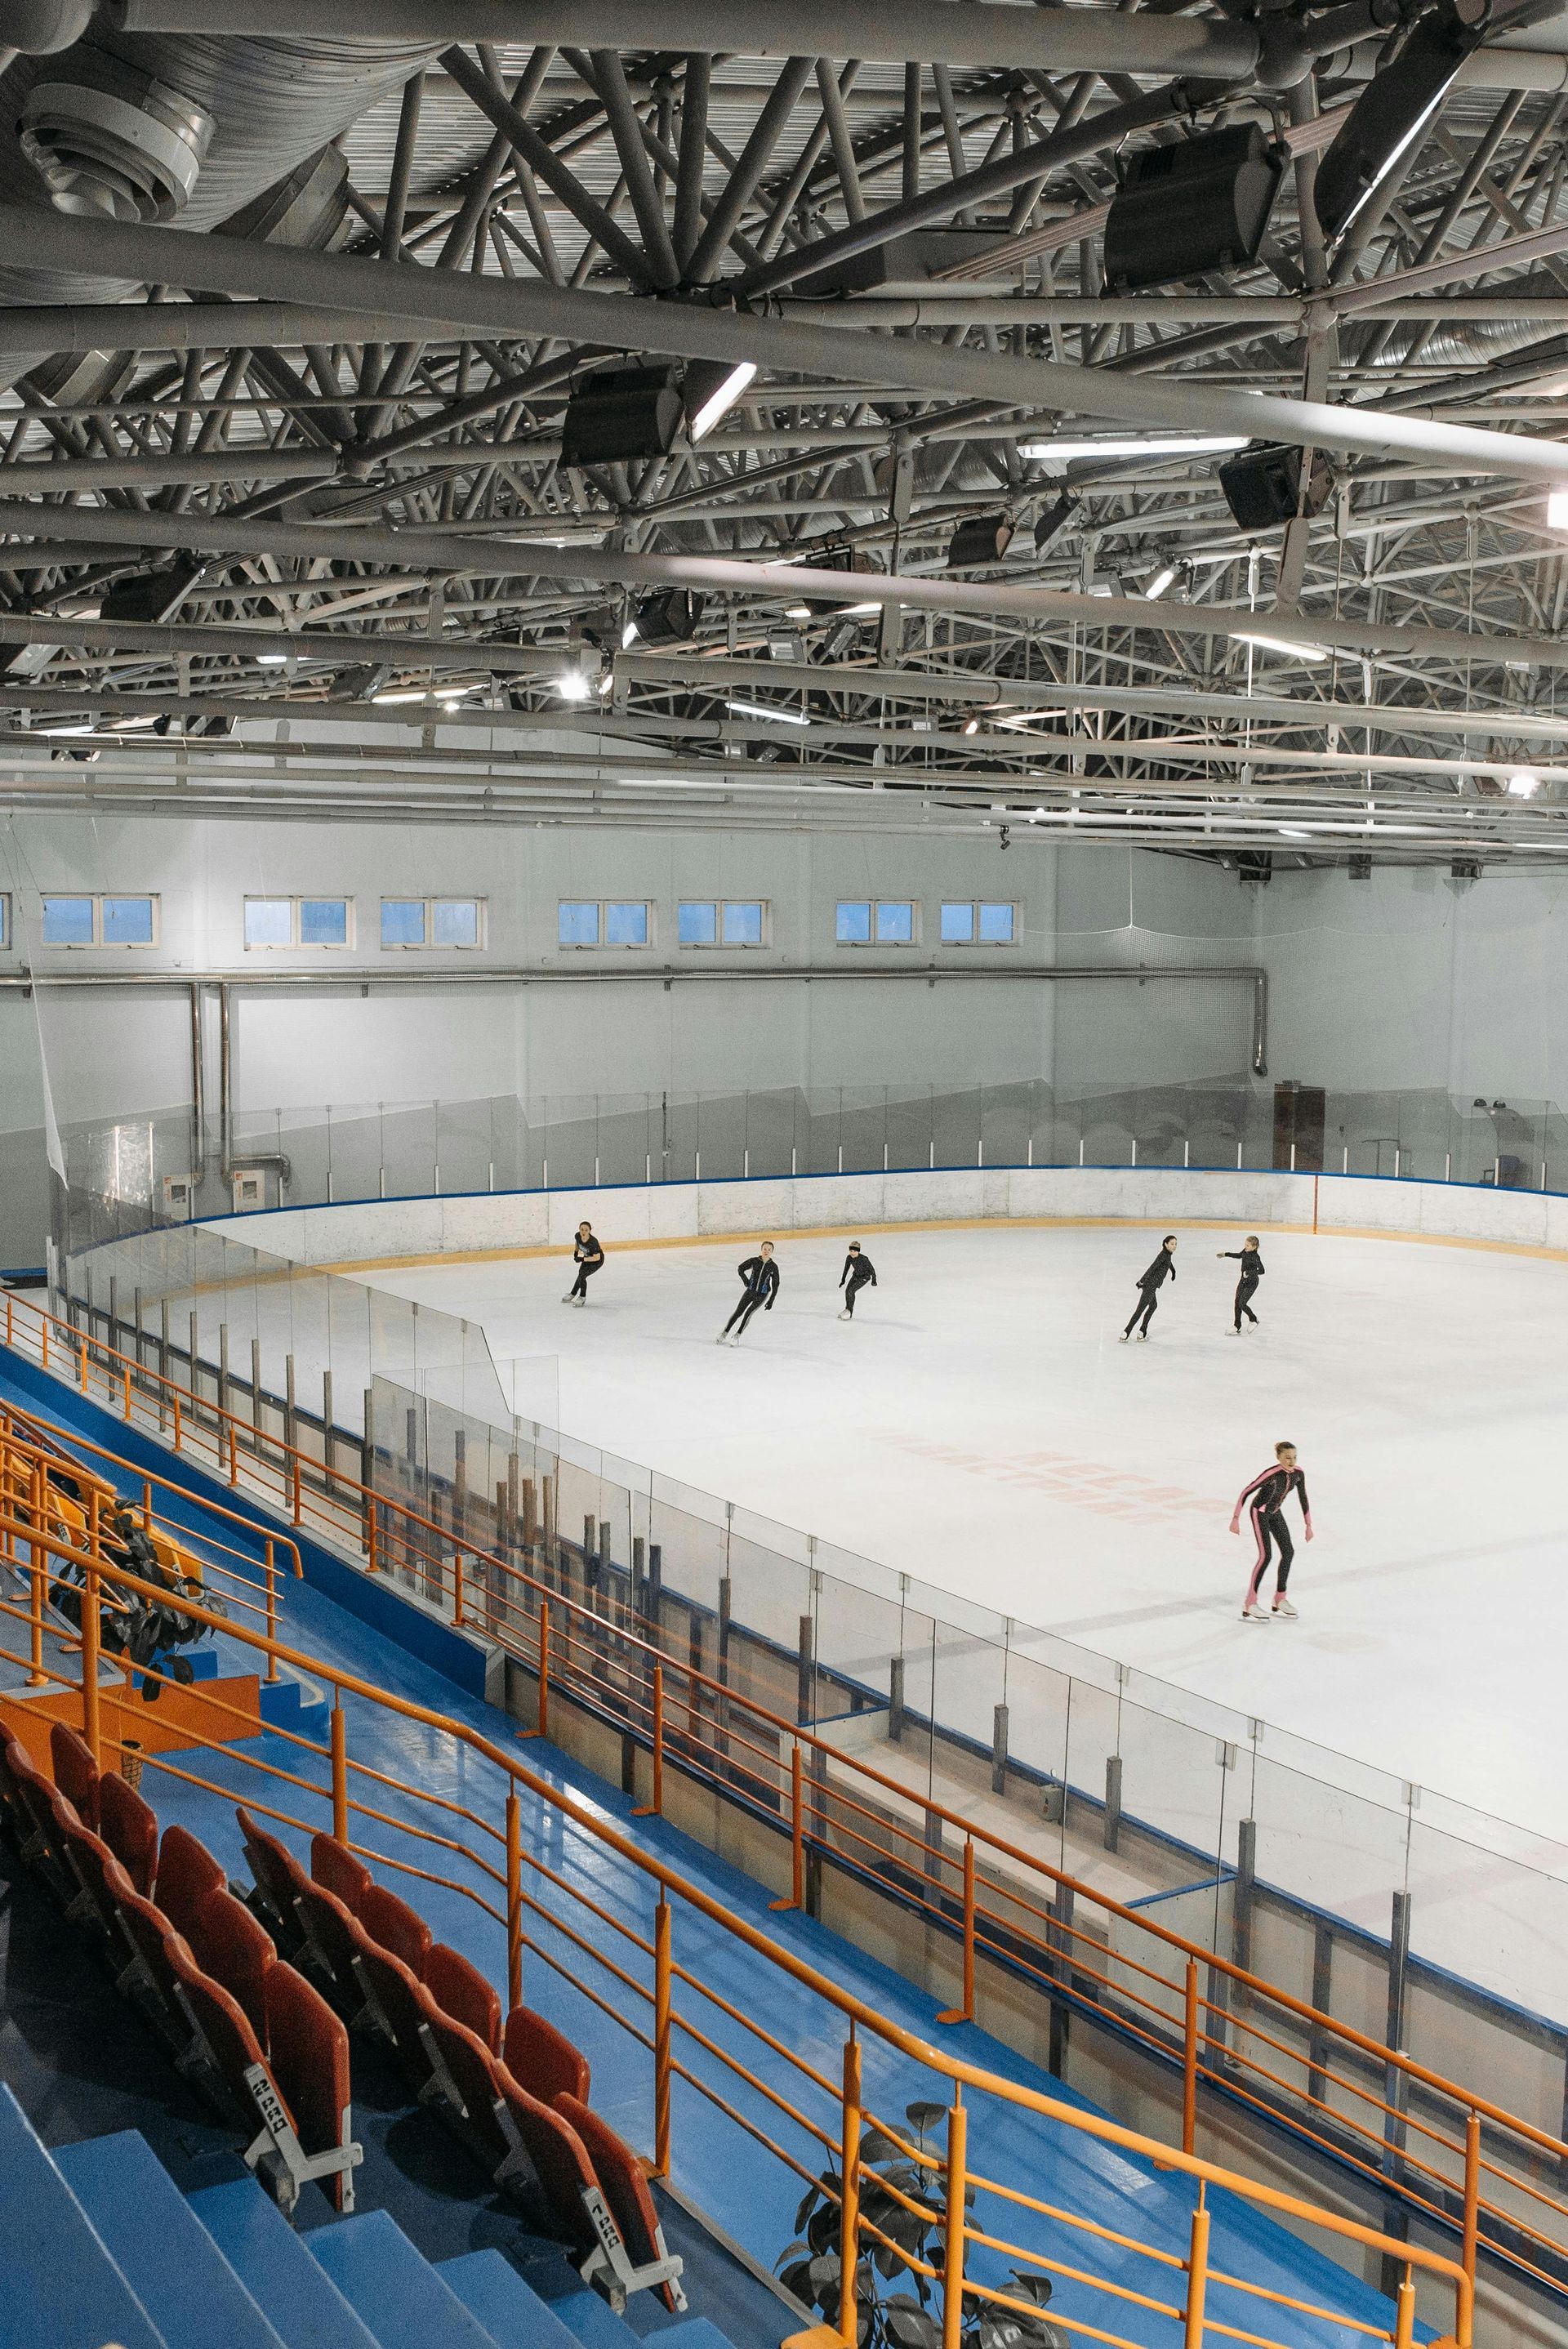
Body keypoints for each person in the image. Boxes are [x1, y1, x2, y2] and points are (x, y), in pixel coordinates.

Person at [1231, 1441, 1313, 1621]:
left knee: (1288, 1552)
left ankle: (1280, 1598)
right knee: (1265, 1556)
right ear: (1279, 1458)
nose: (1291, 1462)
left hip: (1275, 1513)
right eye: (1287, 1458)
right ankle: (1250, 1602)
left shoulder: (1298, 1474)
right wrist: (1236, 1518)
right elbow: (1246, 1491)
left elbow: (1303, 1498)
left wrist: (1308, 1526)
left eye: (1294, 1457)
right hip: (1259, 1513)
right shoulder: (1271, 1474)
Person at [719, 1242, 779, 1343]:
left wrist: (771, 1300)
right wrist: (745, 1280)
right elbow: (740, 1268)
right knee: (738, 1312)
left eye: (769, 1250)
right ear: (761, 1249)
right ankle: (724, 1333)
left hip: (762, 1294)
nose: (766, 1251)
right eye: (765, 1249)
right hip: (750, 1291)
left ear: (772, 1252)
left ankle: (737, 1335)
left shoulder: (773, 1267)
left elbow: (775, 1284)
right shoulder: (754, 1261)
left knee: (748, 1314)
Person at [1120, 1234, 1176, 1341]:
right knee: (1140, 1309)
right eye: (1172, 1244)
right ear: (1166, 1244)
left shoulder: (1167, 1255)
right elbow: (1152, 1267)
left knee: (1153, 1306)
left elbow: (1168, 1263)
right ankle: (1126, 1332)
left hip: (1152, 1286)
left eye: (1175, 1244)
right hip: (1150, 1285)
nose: (1174, 1246)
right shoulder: (1163, 1255)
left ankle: (1142, 1330)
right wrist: (1142, 1281)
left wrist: (1173, 1271)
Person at [1218, 1236, 1264, 1333]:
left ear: (1254, 1247)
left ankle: (1253, 1319)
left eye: (1248, 1245)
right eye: (1245, 1244)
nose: (1245, 1247)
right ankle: (1237, 1325)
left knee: (1242, 1303)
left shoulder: (1255, 1257)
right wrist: (1225, 1254)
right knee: (1237, 1302)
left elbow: (1262, 1271)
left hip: (1252, 1282)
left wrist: (1249, 1273)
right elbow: (1239, 1255)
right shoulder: (1245, 1251)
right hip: (1243, 1281)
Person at [564, 1220, 605, 1306]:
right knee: (580, 1275)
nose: (583, 1232)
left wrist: (582, 1259)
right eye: (582, 1229)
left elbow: (597, 1257)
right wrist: (576, 1253)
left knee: (582, 1276)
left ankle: (582, 1297)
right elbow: (577, 1243)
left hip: (597, 1262)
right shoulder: (578, 1236)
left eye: (586, 1230)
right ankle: (572, 1294)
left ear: (590, 1231)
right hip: (587, 1258)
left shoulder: (593, 1242)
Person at [839, 1241, 877, 1320]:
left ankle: (849, 1312)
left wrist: (874, 1280)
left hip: (864, 1277)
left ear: (858, 1251)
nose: (852, 1253)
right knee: (847, 1291)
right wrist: (843, 1280)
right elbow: (846, 1269)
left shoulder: (864, 1259)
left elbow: (872, 1270)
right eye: (851, 1251)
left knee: (851, 1291)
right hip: (855, 1275)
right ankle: (847, 1310)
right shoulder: (849, 1258)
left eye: (854, 1251)